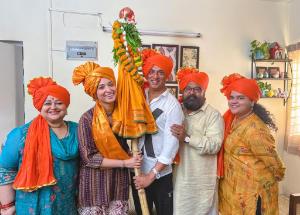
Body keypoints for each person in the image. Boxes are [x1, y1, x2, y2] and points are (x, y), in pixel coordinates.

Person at [0, 77, 79, 215]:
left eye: (59, 103)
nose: (53, 107)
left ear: (66, 106)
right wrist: (7, 206)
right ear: (40, 106)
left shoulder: (78, 131)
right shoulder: (20, 134)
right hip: (31, 206)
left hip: (68, 204)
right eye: (47, 103)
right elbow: (5, 170)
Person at [72, 62, 142, 215]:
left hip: (118, 185)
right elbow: (89, 158)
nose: (108, 90)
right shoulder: (87, 119)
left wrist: (133, 156)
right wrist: (125, 162)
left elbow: (129, 144)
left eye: (111, 84)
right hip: (94, 188)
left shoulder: (124, 115)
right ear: (94, 92)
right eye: (101, 87)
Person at [218, 73, 285, 215]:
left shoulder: (256, 129)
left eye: (241, 98)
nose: (234, 101)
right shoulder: (232, 119)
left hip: (253, 193)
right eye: (232, 97)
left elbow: (275, 165)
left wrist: (273, 177)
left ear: (252, 101)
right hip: (234, 190)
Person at [133, 49, 184, 215]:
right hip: (137, 169)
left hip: (160, 174)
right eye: (152, 71)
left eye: (161, 72)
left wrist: (151, 176)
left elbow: (171, 146)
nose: (155, 76)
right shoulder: (139, 96)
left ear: (168, 76)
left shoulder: (172, 106)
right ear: (147, 73)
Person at [170, 68, 224, 215]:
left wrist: (187, 138)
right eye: (188, 89)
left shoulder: (213, 115)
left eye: (197, 89)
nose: (192, 93)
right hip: (179, 179)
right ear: (182, 91)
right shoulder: (176, 110)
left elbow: (215, 145)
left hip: (201, 181)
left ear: (204, 92)